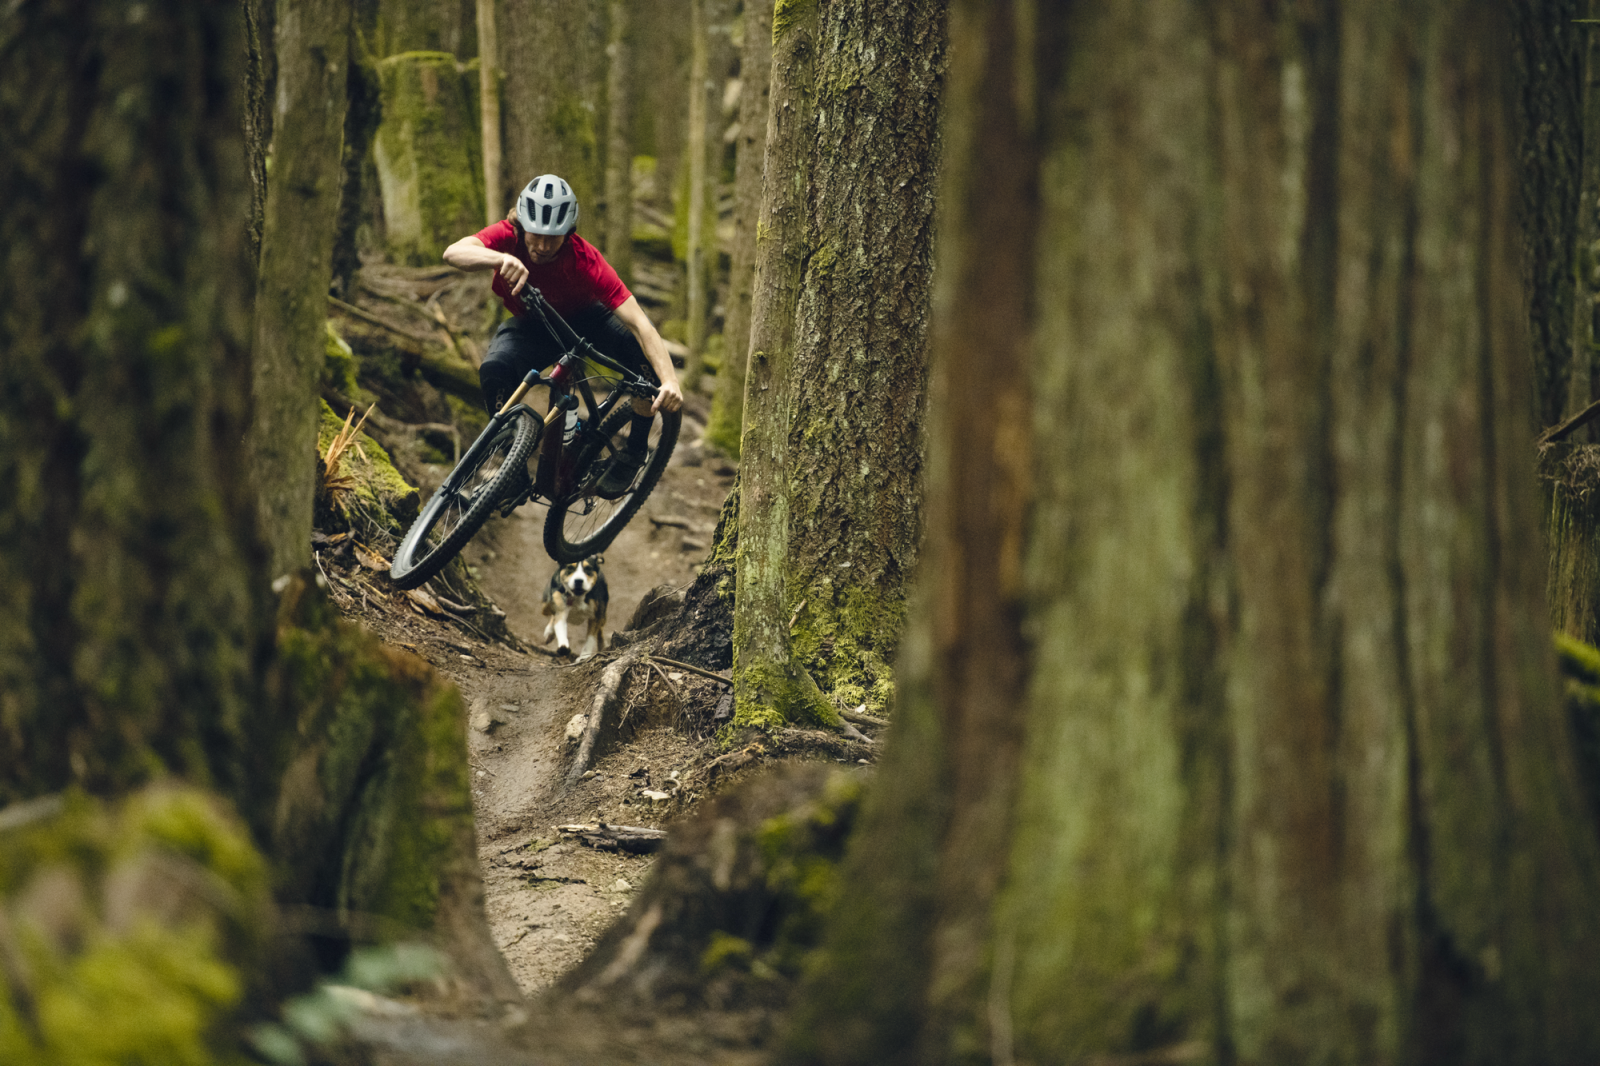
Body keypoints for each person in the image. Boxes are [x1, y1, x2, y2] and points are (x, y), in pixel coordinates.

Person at [443, 173, 683, 493]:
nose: (542, 246)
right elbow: (453, 253)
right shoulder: (507, 237)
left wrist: (669, 380)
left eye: (553, 237)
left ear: (568, 233)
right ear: (522, 225)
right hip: (535, 324)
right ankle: (511, 466)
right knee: (494, 369)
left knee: (643, 365)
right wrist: (498, 259)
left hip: (589, 322)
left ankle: (635, 451)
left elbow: (640, 323)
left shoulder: (586, 260)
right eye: (536, 235)